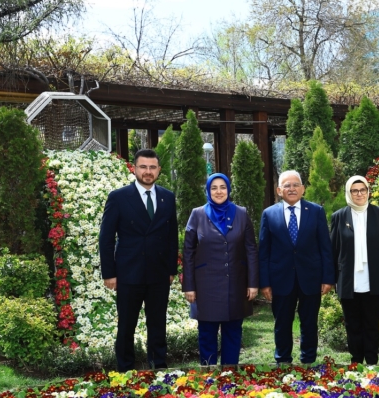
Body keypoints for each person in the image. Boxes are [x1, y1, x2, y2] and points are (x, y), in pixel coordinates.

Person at [99, 149, 178, 372]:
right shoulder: (118, 197)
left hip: (158, 273)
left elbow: (172, 236)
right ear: (134, 169)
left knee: (158, 325)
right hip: (128, 273)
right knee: (126, 326)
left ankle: (159, 369)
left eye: (152, 167)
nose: (148, 171)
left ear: (159, 170)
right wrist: (109, 273)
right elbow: (106, 238)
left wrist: (171, 269)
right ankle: (125, 370)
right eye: (143, 167)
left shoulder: (167, 197)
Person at [259, 170, 335, 364]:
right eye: (287, 185)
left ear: (302, 189)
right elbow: (264, 252)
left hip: (311, 278)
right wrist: (265, 283)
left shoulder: (316, 211)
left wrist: (328, 278)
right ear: (279, 190)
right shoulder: (269, 214)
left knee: (309, 323)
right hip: (280, 279)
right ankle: (282, 361)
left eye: (295, 185)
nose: (291, 189)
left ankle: (308, 360)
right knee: (282, 323)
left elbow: (325, 247)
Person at [182, 173, 259, 365]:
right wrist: (188, 286)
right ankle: (209, 375)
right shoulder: (197, 214)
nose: (219, 191)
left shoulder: (241, 213)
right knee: (207, 333)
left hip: (236, 285)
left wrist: (253, 283)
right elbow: (188, 253)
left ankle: (229, 375)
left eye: (223, 187)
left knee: (233, 333)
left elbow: (251, 250)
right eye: (214, 187)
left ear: (228, 189)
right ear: (208, 191)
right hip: (205, 287)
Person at [330, 175, 379, 365]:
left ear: (368, 191)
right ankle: (356, 361)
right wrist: (333, 278)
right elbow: (334, 250)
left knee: (372, 323)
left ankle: (372, 361)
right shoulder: (339, 216)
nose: (359, 194)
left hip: (373, 277)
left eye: (363, 190)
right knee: (352, 324)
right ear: (348, 193)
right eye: (355, 191)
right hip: (348, 279)